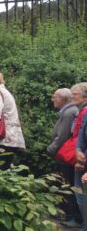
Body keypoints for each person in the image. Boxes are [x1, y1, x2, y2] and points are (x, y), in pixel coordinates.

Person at [46, 88, 80, 225]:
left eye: (55, 97)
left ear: (63, 99)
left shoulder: (69, 113)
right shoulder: (69, 111)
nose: (53, 99)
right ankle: (67, 213)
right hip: (64, 154)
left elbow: (62, 136)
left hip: (65, 155)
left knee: (68, 184)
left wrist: (50, 149)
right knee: (66, 183)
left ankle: (72, 215)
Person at [66, 83, 87, 228]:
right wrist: (79, 151)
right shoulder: (83, 112)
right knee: (79, 194)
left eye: (76, 94)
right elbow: (80, 135)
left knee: (82, 195)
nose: (72, 96)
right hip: (81, 159)